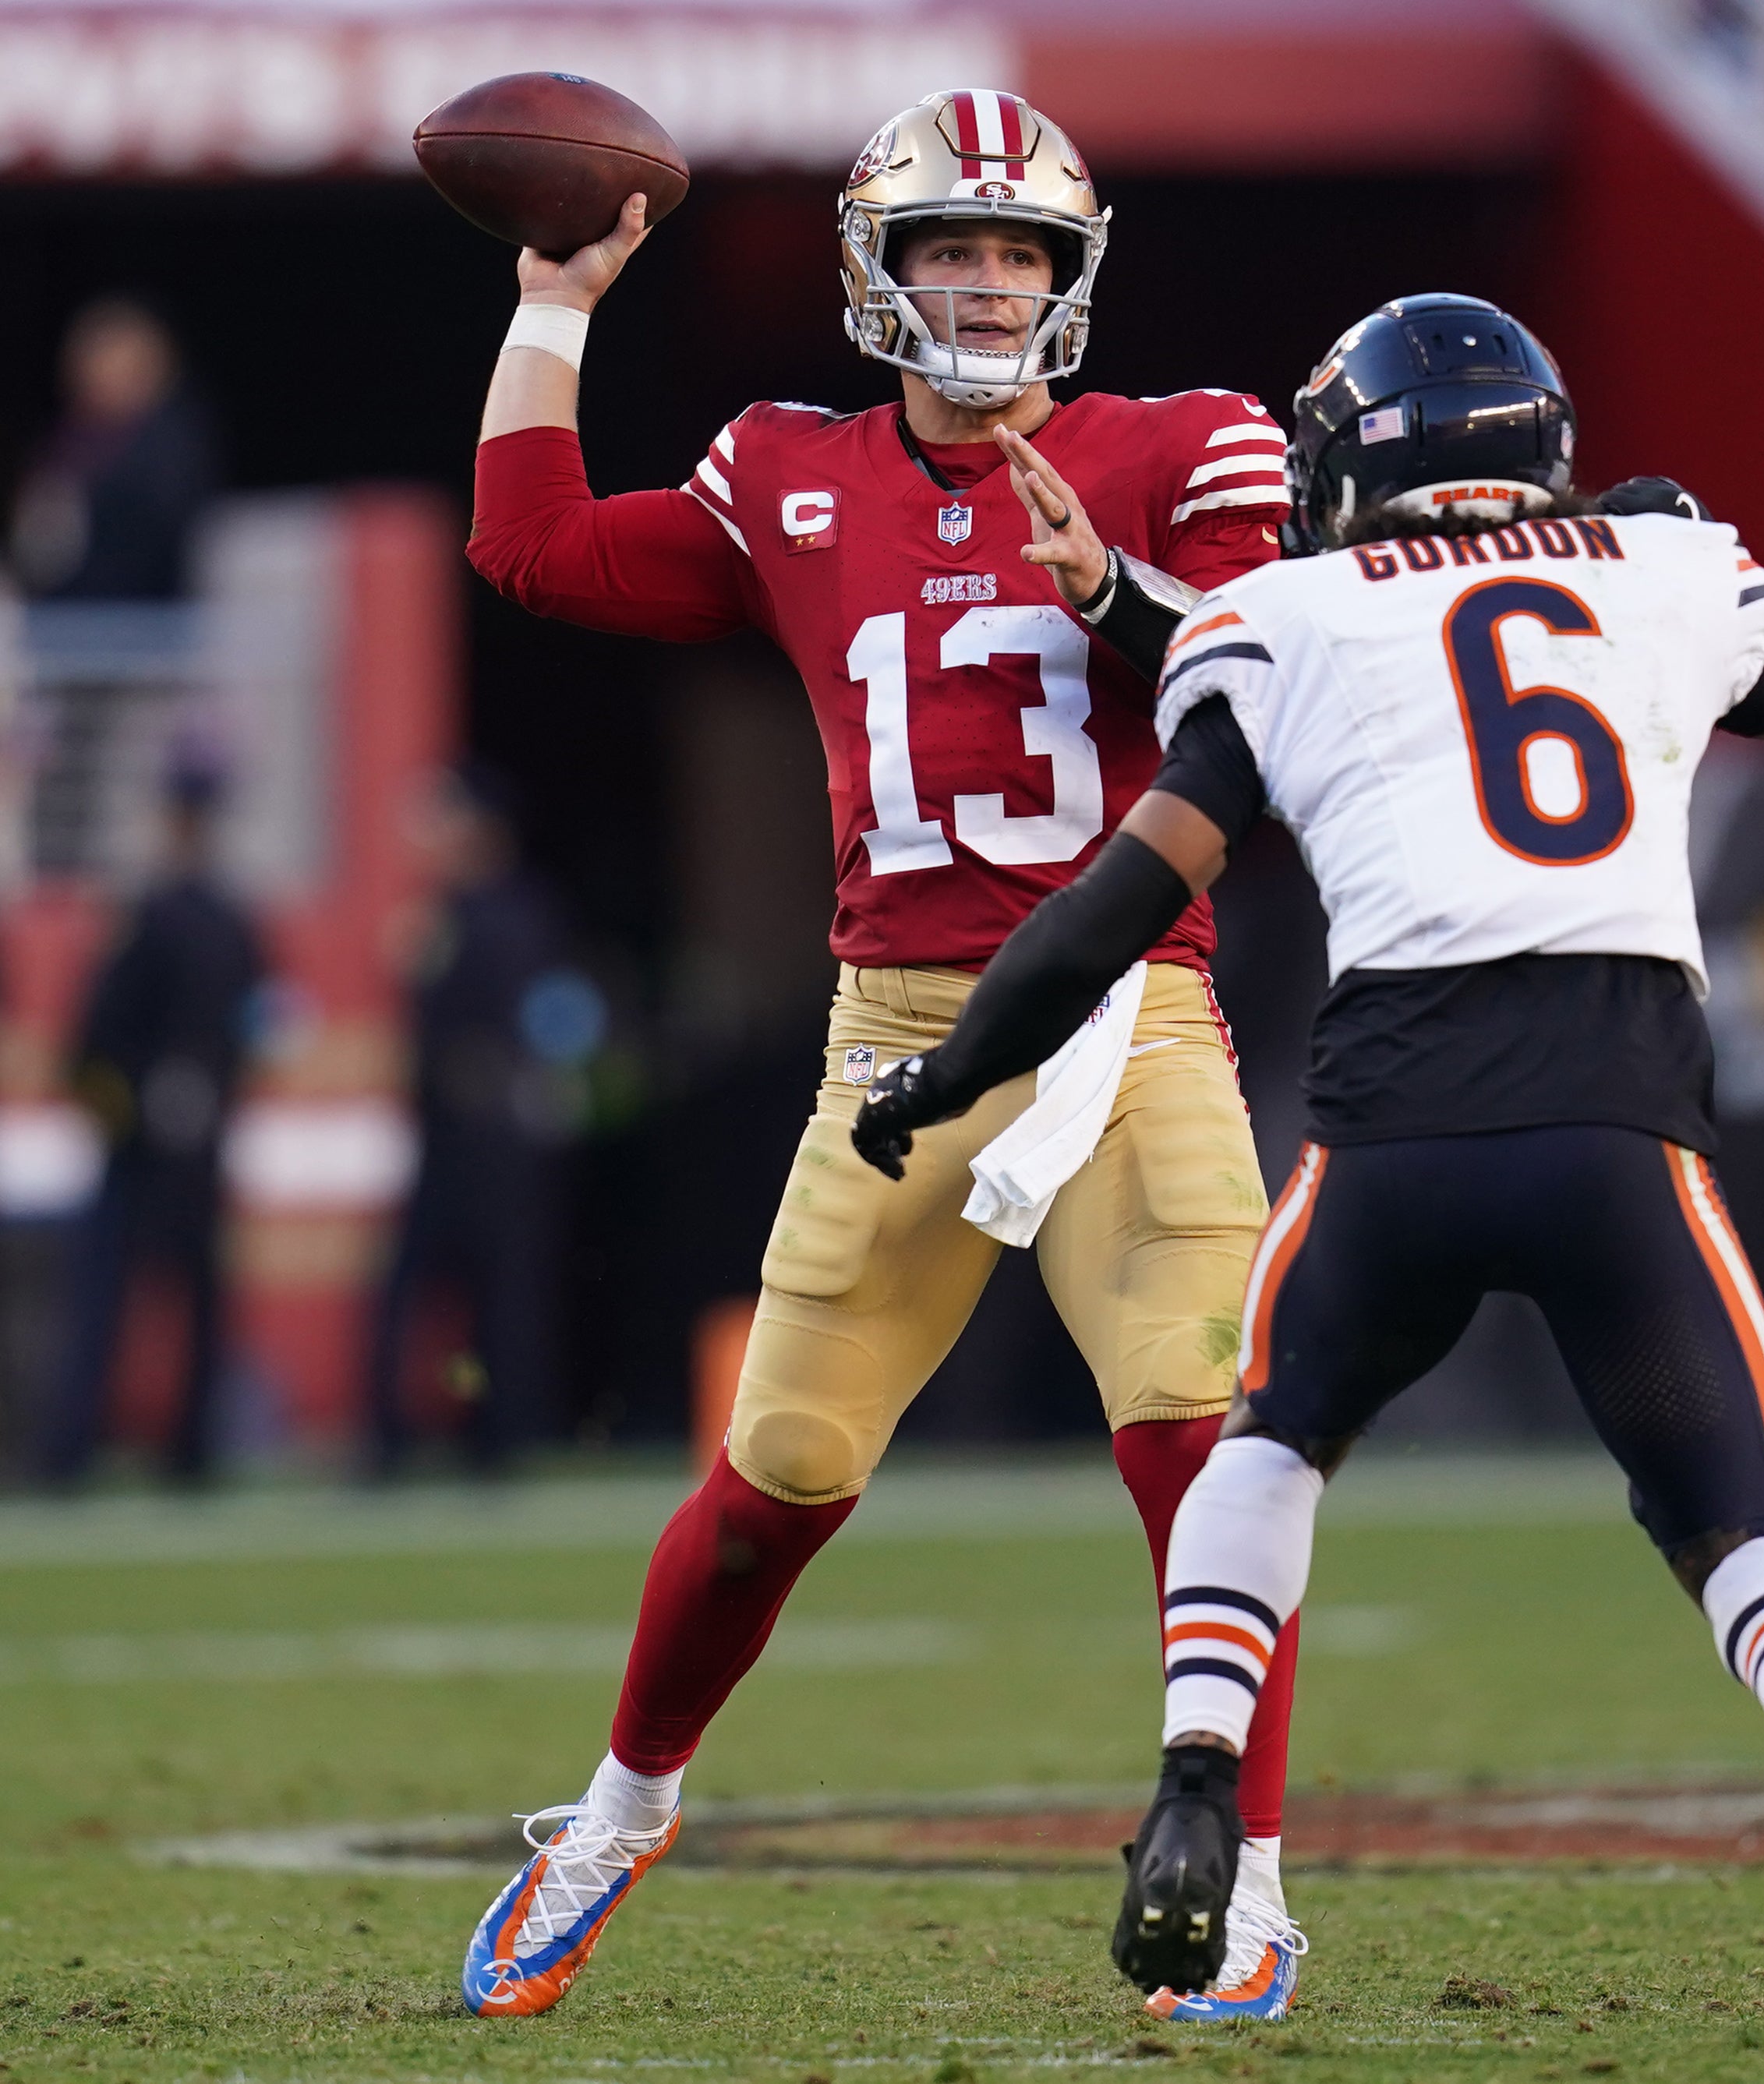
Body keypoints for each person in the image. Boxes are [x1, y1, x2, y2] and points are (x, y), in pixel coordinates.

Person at [845, 295, 1764, 1994]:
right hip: (1617, 1119)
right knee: (1730, 1507)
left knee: (1274, 1441)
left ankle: (1195, 1785)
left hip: (1392, 1132)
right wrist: (1701, 572)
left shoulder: (1282, 613)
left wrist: (947, 1074)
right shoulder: (1652, 578)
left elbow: (1112, 904)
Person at [454, 89, 1310, 2024]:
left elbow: (1273, 710)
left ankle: (1244, 1876)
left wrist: (1115, 593)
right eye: (951, 248)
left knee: (1205, 1450)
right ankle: (617, 1810)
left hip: (1125, 1022)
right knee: (775, 1475)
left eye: (1019, 250)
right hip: (901, 1033)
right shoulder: (789, 475)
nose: (987, 282)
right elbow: (536, 556)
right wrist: (556, 302)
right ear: (881, 272)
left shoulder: (1188, 450)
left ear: (1070, 278)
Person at [37, 750, 262, 1487]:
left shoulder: (230, 920)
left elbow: (254, 1022)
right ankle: (72, 1452)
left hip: (199, 1149)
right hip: (137, 1147)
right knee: (104, 1300)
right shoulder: (145, 915)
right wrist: (132, 1109)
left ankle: (193, 1450)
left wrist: (216, 1095)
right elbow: (92, 1042)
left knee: (200, 1301)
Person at [361, 768, 585, 1479]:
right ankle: (396, 1439)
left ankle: (500, 1440)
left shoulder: (520, 912)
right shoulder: (442, 914)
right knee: (413, 1289)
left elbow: (554, 1018)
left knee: (501, 1291)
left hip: (497, 1128)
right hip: (444, 1129)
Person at [9, 300, 217, 604]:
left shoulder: (168, 443)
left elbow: (155, 532)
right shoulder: (72, 437)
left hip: (141, 616)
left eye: (107, 361)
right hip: (66, 614)